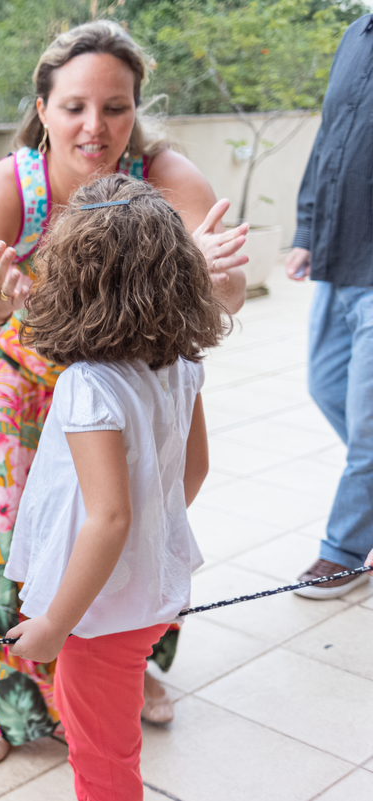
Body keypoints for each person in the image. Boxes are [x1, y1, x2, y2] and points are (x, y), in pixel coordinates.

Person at [0, 19, 249, 762]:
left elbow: (231, 294)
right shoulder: (11, 183)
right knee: (3, 517)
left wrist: (203, 270)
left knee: (146, 501)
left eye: (116, 106)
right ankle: (1, 694)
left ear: (136, 109)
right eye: (76, 105)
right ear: (42, 107)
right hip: (20, 363)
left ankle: (127, 653)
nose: (96, 125)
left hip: (126, 362)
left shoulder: (166, 175)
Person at [5, 174, 227, 800]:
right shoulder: (180, 362)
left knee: (102, 763)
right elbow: (195, 470)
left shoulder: (88, 385)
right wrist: (150, 541)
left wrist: (54, 622)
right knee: (111, 745)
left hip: (96, 613)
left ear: (76, 280)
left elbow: (107, 519)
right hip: (141, 595)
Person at [286, 12, 373, 600]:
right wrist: (306, 230)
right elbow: (329, 138)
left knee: (370, 429)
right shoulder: (356, 35)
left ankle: (342, 550)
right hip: (338, 256)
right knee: (325, 385)